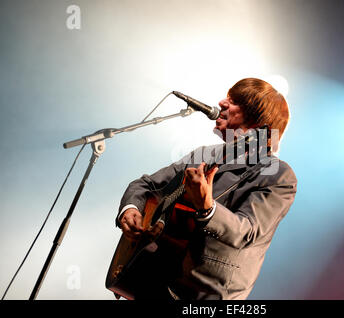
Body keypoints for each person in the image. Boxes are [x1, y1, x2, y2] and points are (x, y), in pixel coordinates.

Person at [115, 78, 297, 300]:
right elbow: (145, 185)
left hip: (204, 295)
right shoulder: (205, 155)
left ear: (258, 120)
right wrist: (131, 208)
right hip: (154, 279)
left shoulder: (277, 174)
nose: (221, 103)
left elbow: (247, 231)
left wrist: (207, 207)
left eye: (234, 101)